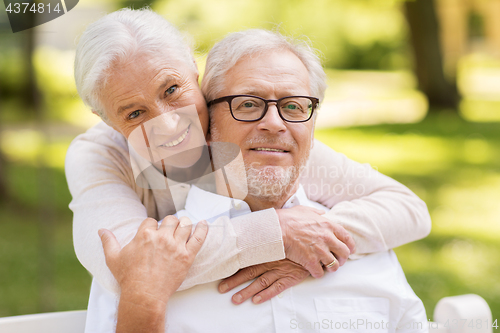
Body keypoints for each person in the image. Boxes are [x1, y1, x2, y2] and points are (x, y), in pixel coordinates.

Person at [67, 8, 430, 307]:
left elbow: (407, 209)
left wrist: (314, 245)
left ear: (197, 72)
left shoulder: (245, 129)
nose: (169, 123)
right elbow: (127, 271)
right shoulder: (99, 155)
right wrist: (277, 234)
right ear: (109, 121)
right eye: (134, 114)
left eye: (172, 90)